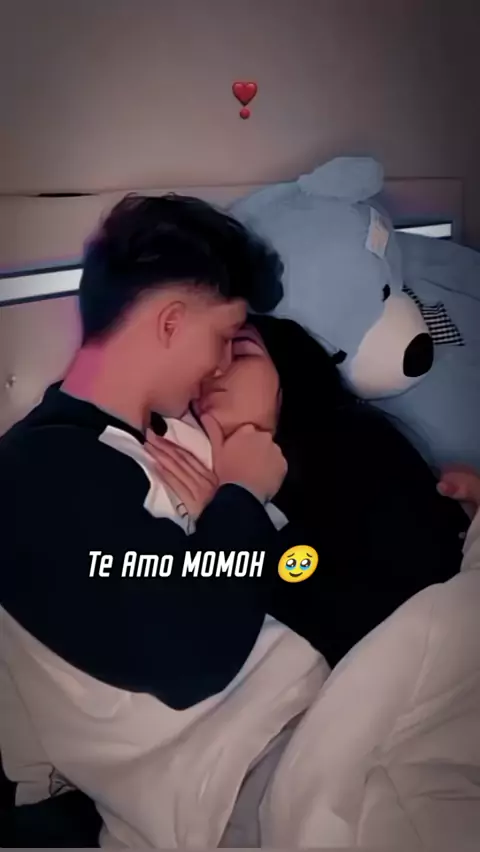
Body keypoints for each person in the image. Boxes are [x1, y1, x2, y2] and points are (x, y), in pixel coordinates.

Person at [0, 195, 329, 848]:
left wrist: (239, 498)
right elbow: (188, 657)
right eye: (222, 337)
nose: (219, 365)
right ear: (172, 322)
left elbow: (295, 579)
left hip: (307, 712)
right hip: (233, 774)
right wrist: (241, 497)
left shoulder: (171, 436)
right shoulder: (37, 471)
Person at [148, 314, 469, 666]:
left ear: (286, 371)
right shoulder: (187, 465)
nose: (214, 370)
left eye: (239, 352)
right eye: (203, 361)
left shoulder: (356, 442)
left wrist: (234, 516)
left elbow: (372, 615)